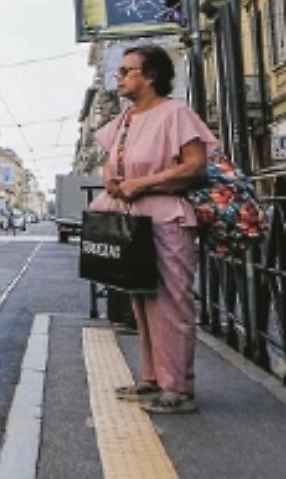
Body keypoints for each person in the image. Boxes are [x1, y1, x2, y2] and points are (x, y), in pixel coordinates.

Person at [90, 44, 216, 415]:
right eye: (121, 71)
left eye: (128, 71)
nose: (121, 77)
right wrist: (114, 180)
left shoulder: (175, 112)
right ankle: (151, 378)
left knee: (171, 303)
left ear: (151, 76)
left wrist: (143, 184)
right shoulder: (125, 121)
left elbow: (195, 167)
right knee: (141, 298)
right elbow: (111, 166)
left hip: (167, 217)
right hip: (133, 219)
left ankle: (178, 388)